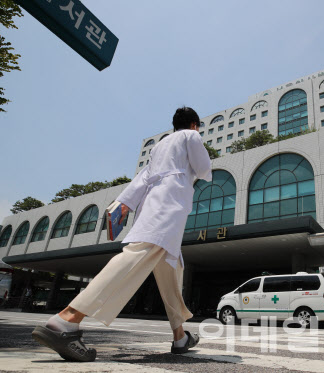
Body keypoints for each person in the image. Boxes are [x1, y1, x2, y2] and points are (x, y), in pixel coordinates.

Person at [32, 107, 212, 362]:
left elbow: (143, 178)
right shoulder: (191, 136)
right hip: (170, 204)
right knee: (139, 253)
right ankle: (67, 319)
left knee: (171, 267)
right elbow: (204, 169)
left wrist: (125, 202)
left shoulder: (159, 146)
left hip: (152, 203)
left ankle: (180, 336)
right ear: (194, 124)